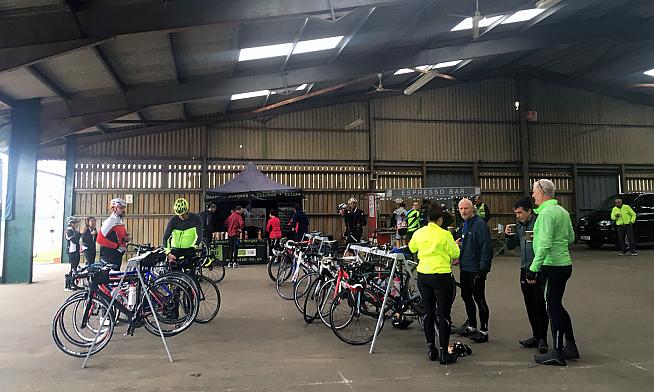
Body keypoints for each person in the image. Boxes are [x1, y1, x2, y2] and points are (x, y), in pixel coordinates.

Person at [527, 179, 579, 366]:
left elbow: (545, 245)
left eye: (534, 191)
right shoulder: (562, 212)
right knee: (558, 305)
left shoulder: (547, 214)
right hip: (564, 264)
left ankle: (558, 352)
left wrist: (533, 268)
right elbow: (571, 237)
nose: (532, 195)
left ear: (541, 191)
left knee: (552, 308)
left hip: (552, 266)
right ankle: (570, 346)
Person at [409, 209, 461, 364]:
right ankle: (445, 352)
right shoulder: (445, 234)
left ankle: (431, 349)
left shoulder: (419, 233)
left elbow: (412, 248)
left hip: (423, 275)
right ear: (439, 219)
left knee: (428, 312)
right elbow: (455, 254)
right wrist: (455, 245)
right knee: (444, 314)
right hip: (441, 276)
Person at [505, 198, 548, 354]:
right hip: (524, 268)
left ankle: (543, 338)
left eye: (520, 213)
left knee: (539, 304)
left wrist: (535, 268)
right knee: (529, 303)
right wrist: (509, 236)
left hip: (538, 268)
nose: (518, 216)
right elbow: (511, 246)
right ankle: (536, 335)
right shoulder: (519, 227)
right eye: (516, 213)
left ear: (529, 210)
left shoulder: (539, 223)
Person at [455, 198, 492, 343]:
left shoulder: (480, 225)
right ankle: (472, 326)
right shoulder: (464, 225)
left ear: (472, 209)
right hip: (465, 267)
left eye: (466, 208)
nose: (464, 211)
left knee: (479, 299)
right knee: (466, 296)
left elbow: (486, 248)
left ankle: (484, 330)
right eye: (461, 209)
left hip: (476, 269)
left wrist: (483, 269)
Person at [162, 197, 203, 268]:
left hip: (189, 251)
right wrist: (168, 253)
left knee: (190, 276)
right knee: (174, 275)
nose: (181, 217)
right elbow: (165, 238)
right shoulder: (173, 220)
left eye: (183, 214)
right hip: (175, 251)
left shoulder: (196, 219)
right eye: (179, 215)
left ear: (187, 210)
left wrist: (193, 246)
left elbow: (199, 236)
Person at [97, 198, 130, 271]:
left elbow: (120, 235)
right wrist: (116, 246)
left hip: (118, 254)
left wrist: (126, 237)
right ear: (114, 208)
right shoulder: (110, 221)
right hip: (109, 255)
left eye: (124, 208)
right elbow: (100, 239)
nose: (123, 210)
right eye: (121, 208)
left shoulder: (120, 221)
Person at [64, 216, 81, 291]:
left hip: (75, 250)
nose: (76, 224)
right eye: (75, 223)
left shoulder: (74, 230)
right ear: (71, 223)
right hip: (71, 251)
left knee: (75, 267)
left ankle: (72, 283)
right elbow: (74, 240)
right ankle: (68, 284)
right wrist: (79, 234)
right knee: (73, 267)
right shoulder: (69, 231)